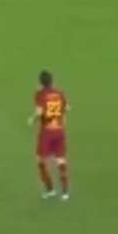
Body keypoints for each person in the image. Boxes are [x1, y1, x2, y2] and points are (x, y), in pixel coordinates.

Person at [29, 70, 70, 200]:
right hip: (59, 131)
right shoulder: (59, 93)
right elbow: (67, 108)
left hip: (46, 132)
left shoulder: (40, 94)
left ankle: (50, 190)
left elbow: (39, 111)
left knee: (41, 161)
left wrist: (32, 119)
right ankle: (65, 192)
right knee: (61, 160)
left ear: (40, 82)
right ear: (52, 81)